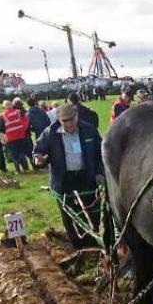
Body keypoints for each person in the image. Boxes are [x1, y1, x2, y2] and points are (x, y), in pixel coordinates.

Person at [33, 103, 104, 249]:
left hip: (86, 177)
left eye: (71, 119)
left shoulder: (89, 130)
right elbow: (38, 151)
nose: (69, 124)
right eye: (64, 121)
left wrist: (99, 173)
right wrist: (39, 160)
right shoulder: (50, 133)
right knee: (69, 216)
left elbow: (100, 152)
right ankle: (78, 247)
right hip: (64, 180)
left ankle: (93, 244)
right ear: (59, 119)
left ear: (77, 116)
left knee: (92, 213)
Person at [1, 98, 31, 172]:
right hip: (21, 135)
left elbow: (1, 128)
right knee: (22, 152)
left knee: (14, 154)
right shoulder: (18, 112)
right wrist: (23, 130)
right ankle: (25, 168)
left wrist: (4, 136)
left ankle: (18, 170)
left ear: (4, 107)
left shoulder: (2, 115)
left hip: (10, 137)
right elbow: (26, 120)